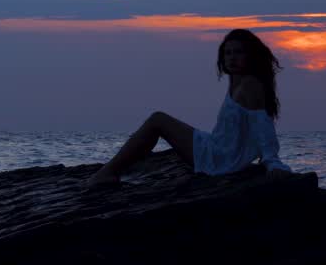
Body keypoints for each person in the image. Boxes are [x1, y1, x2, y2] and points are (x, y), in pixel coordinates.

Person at [87, 28, 293, 186]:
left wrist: (271, 161)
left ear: (251, 55)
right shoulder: (238, 81)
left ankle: (108, 172)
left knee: (157, 120)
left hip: (219, 160)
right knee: (156, 122)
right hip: (218, 150)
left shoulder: (250, 85)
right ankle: (118, 165)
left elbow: (263, 127)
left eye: (238, 52)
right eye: (228, 53)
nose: (232, 57)